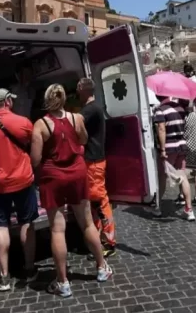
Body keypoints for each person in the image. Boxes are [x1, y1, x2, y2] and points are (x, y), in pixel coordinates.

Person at [30, 84, 111, 298]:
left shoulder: (40, 125)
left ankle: (63, 282)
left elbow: (35, 159)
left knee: (57, 230)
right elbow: (83, 140)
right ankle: (102, 267)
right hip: (77, 173)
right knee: (87, 223)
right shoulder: (77, 118)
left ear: (46, 100)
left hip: (53, 178)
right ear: (65, 99)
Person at [0, 88, 38, 292]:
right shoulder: (24, 123)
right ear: (6, 102)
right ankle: (29, 269)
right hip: (23, 181)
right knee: (26, 222)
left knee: (1, 226)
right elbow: (34, 146)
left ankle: (4, 277)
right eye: (11, 99)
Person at [77, 78, 116, 258]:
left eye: (78, 89)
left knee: (99, 202)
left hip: (93, 161)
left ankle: (108, 242)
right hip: (93, 160)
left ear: (82, 89)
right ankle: (99, 239)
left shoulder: (90, 110)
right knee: (95, 203)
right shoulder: (94, 108)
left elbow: (75, 122)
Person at [153, 96, 195, 221]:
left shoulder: (160, 110)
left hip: (169, 147)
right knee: (182, 176)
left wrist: (162, 150)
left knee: (162, 177)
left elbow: (161, 129)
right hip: (181, 145)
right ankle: (189, 210)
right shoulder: (180, 108)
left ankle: (157, 207)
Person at [180, 99, 196, 208]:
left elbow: (183, 133)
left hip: (187, 147)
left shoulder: (185, 118)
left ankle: (182, 195)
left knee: (183, 172)